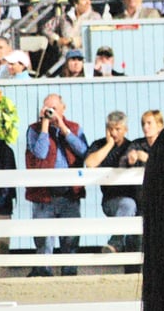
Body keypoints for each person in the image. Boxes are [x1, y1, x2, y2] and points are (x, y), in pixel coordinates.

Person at [25, 94, 89, 277]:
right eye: (47, 108)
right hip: (44, 195)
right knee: (44, 240)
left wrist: (63, 128)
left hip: (69, 194)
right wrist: (45, 125)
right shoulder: (34, 129)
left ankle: (69, 275)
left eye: (53, 108)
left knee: (70, 238)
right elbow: (40, 153)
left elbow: (84, 151)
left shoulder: (74, 128)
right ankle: (43, 275)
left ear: (63, 109)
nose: (50, 111)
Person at [84, 111, 139, 257]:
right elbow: (90, 163)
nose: (113, 133)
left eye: (118, 129)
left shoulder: (132, 146)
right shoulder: (98, 145)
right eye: (110, 129)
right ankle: (115, 243)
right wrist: (109, 145)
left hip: (136, 201)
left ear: (125, 130)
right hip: (111, 200)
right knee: (128, 205)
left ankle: (130, 273)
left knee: (135, 239)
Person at [0, 103, 15, 277]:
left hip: (0, 208)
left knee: (1, 250)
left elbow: (7, 184)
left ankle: (0, 281)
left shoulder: (5, 151)